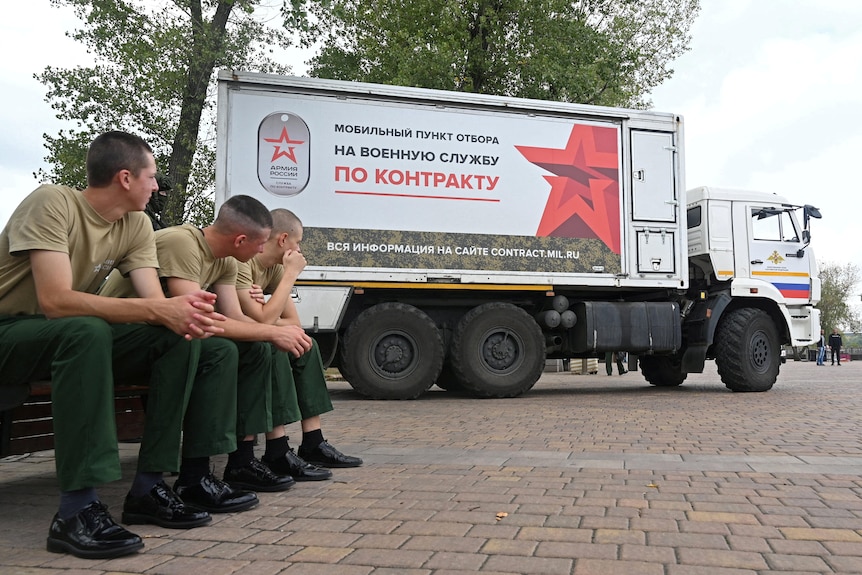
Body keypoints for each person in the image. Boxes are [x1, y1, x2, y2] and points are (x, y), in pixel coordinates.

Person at [0, 131, 250, 560]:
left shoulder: (136, 224)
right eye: (152, 177)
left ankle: (151, 487)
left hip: (67, 335)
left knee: (186, 336)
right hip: (13, 331)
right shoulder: (53, 202)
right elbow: (55, 301)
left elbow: (155, 306)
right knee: (86, 329)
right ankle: (75, 511)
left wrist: (182, 311)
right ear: (125, 178)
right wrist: (162, 311)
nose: (157, 186)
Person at [101, 195, 325, 493]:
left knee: (253, 348)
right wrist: (271, 332)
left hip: (169, 338)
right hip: (123, 337)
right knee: (222, 350)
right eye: (259, 244)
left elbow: (234, 319)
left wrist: (268, 333)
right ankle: (190, 475)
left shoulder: (228, 261)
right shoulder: (183, 243)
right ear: (240, 239)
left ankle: (241, 462)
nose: (262, 250)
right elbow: (197, 319)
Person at [236, 208, 363, 479]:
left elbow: (292, 322)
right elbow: (262, 322)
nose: (300, 249)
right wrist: (290, 277)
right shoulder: (246, 263)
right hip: (238, 339)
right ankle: (277, 449)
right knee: (275, 346)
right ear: (283, 240)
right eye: (299, 242)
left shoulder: (274, 269)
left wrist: (268, 308)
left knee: (306, 344)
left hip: (255, 331)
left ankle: (313, 441)